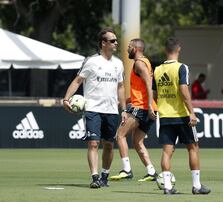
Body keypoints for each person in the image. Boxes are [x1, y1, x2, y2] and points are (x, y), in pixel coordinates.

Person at [63, 27, 126, 188]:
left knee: (109, 145)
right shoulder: (91, 61)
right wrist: (65, 99)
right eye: (112, 40)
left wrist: (124, 109)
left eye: (116, 40)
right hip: (92, 109)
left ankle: (105, 175)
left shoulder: (118, 64)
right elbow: (77, 81)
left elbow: (121, 87)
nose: (116, 43)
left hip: (112, 110)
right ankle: (95, 177)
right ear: (103, 43)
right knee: (93, 143)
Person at [153, 37, 211, 195]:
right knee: (193, 147)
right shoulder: (181, 67)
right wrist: (192, 112)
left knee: (166, 151)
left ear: (165, 50)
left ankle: (167, 186)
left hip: (164, 116)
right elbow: (184, 91)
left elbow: (154, 94)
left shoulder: (157, 70)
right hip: (182, 115)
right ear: (179, 49)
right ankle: (197, 186)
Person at [109, 39, 158, 182]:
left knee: (120, 135)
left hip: (142, 108)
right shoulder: (146, 62)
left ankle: (127, 170)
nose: (127, 49)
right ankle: (151, 172)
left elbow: (149, 86)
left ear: (136, 48)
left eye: (129, 47)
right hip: (146, 107)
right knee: (137, 142)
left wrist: (148, 106)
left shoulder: (139, 64)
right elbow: (141, 89)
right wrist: (125, 101)